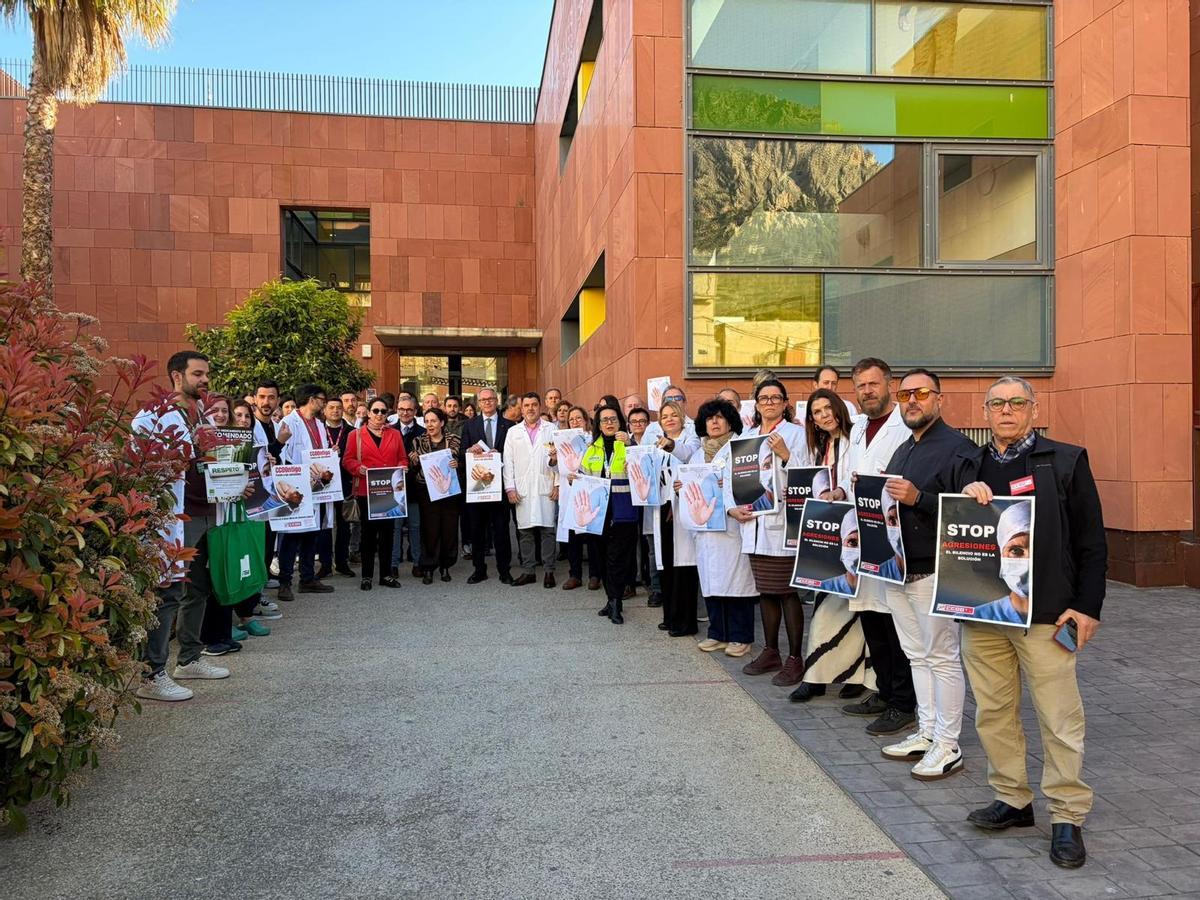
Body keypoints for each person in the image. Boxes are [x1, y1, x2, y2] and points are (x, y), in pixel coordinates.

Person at [939, 375, 1106, 870]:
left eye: (1017, 402)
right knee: (993, 712)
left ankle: (1067, 815)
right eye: (997, 404)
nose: (1007, 410)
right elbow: (943, 519)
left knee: (1059, 717)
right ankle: (1012, 799)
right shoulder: (968, 463)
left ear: (1034, 409)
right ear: (985, 412)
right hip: (983, 613)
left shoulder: (1065, 461)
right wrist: (963, 494)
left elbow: (1092, 541)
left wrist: (1088, 606)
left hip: (1050, 616)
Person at [876, 368, 975, 781]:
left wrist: (920, 498)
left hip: (935, 570)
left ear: (939, 398)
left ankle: (948, 744)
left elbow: (970, 514)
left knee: (942, 657)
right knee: (917, 655)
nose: (912, 401)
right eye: (905, 395)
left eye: (920, 393)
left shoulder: (960, 449)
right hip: (898, 569)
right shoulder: (903, 449)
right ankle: (928, 730)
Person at [133, 351, 227, 701]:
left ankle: (188, 659)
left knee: (197, 587)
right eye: (198, 374)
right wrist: (197, 450)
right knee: (166, 592)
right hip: (167, 519)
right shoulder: (155, 415)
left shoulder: (199, 414)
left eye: (207, 374)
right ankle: (151, 674)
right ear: (177, 376)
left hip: (198, 511)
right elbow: (148, 464)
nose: (205, 380)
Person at [837, 358, 918, 737]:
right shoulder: (858, 428)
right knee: (871, 618)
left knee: (895, 623)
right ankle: (884, 692)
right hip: (862, 535)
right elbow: (850, 476)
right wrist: (840, 490)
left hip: (893, 539)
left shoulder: (905, 425)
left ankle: (903, 703)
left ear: (889, 384)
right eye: (860, 386)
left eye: (873, 384)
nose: (867, 391)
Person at [788, 388, 874, 703]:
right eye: (817, 412)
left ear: (839, 408)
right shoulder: (820, 446)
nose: (824, 415)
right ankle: (817, 676)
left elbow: (859, 478)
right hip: (828, 532)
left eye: (827, 408)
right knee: (827, 603)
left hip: (858, 530)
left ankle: (857, 675)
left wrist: (841, 492)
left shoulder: (857, 439)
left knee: (860, 608)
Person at [733, 379, 809, 686]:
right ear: (756, 403)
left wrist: (786, 455)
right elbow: (733, 478)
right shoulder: (746, 438)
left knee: (787, 592)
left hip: (781, 525)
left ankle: (795, 658)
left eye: (775, 398)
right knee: (765, 591)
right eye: (763, 398)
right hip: (754, 525)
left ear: (785, 403)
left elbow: (808, 474)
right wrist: (733, 509)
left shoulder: (796, 435)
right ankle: (771, 651)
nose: (769, 403)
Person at [683, 398, 756, 657]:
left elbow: (750, 482)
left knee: (736, 583)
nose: (714, 422)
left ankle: (740, 636)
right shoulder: (697, 455)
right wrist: (681, 487)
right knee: (711, 581)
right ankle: (717, 633)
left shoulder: (741, 448)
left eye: (719, 417)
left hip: (732, 528)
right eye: (709, 418)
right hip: (706, 530)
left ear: (730, 421)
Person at [577, 403, 640, 624]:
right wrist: (575, 479)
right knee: (602, 558)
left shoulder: (630, 445)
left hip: (624, 510)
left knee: (618, 559)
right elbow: (583, 477)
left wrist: (631, 445)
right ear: (599, 424)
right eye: (605, 420)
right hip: (598, 513)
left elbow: (642, 470)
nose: (609, 423)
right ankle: (610, 599)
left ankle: (616, 601)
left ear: (620, 422)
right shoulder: (592, 449)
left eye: (613, 419)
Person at [274, 384, 336, 601]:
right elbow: (282, 456)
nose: (324, 404)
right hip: (296, 485)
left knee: (312, 533)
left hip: (316, 487)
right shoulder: (289, 422)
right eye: (322, 399)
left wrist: (330, 454)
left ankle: (307, 578)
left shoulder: (319, 424)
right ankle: (284, 582)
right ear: (312, 399)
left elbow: (319, 452)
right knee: (291, 536)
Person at [343, 399, 407, 591]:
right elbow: (347, 460)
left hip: (390, 490)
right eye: (376, 410)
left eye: (383, 411)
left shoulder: (395, 434)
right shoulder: (355, 435)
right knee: (368, 535)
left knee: (388, 534)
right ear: (368, 413)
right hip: (366, 491)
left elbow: (402, 457)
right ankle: (367, 576)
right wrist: (357, 468)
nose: (379, 414)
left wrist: (403, 467)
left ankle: (386, 574)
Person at [652, 399, 702, 637]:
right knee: (667, 563)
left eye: (673, 415)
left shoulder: (691, 440)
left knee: (684, 566)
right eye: (664, 416)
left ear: (682, 418)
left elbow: (686, 455)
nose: (669, 419)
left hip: (681, 507)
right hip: (661, 506)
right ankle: (670, 616)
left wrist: (671, 445)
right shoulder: (655, 445)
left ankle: (685, 622)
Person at [504, 392, 559, 588]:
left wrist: (557, 484)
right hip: (523, 488)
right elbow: (508, 462)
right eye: (526, 405)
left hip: (546, 486)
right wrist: (510, 488)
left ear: (539, 406)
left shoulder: (551, 429)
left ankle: (549, 571)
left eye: (534, 404)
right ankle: (528, 571)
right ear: (521, 409)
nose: (530, 408)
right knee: (525, 531)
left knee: (547, 531)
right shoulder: (513, 432)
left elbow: (559, 458)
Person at [461, 388, 513, 584]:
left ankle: (504, 570)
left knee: (501, 530)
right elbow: (461, 452)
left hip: (500, 486)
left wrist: (499, 454)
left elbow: (514, 455)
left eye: (491, 399)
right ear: (478, 403)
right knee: (477, 530)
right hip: (478, 487)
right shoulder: (470, 425)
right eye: (483, 400)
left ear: (496, 401)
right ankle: (479, 569)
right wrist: (469, 450)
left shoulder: (509, 425)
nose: (488, 402)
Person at [409, 407, 462, 583]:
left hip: (450, 491)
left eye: (433, 421)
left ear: (442, 422)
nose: (430, 425)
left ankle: (445, 565)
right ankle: (429, 567)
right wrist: (413, 461)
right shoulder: (417, 441)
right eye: (427, 421)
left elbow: (461, 461)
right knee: (429, 529)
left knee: (449, 528)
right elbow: (414, 467)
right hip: (426, 491)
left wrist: (457, 464)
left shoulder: (454, 440)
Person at [558, 406, 601, 590]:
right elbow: (556, 469)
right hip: (571, 492)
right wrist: (554, 458)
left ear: (586, 420)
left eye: (578, 418)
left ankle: (595, 575)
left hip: (590, 491)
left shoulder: (595, 440)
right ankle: (575, 575)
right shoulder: (563, 441)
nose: (575, 422)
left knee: (592, 537)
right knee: (573, 537)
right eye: (571, 419)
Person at [973, 501, 1032, 624]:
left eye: (1038, 549)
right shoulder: (977, 617)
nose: (1028, 561)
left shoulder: (1065, 616)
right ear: (1001, 554)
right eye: (1016, 551)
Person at [319, 395, 354, 579]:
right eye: (331, 407)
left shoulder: (351, 431)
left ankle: (342, 562)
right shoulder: (317, 429)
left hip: (344, 483)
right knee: (324, 524)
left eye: (338, 408)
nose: (335, 411)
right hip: (322, 484)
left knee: (344, 525)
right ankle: (325, 564)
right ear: (324, 410)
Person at [391, 395, 426, 577]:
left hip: (415, 487)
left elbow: (429, 459)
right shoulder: (389, 430)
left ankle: (417, 562)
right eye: (402, 409)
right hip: (394, 486)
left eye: (409, 410)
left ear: (415, 411)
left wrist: (418, 460)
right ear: (397, 410)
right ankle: (393, 563)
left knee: (415, 526)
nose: (405, 413)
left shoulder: (423, 432)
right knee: (395, 527)